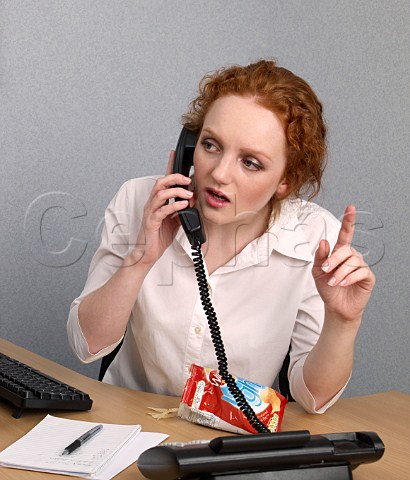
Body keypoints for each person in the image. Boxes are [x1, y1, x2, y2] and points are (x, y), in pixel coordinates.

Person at [67, 59, 375, 414]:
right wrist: (141, 259)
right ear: (189, 146)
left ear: (285, 181)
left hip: (231, 441)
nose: (219, 173)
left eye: (251, 163)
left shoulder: (314, 235)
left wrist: (343, 322)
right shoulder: (139, 200)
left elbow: (314, 398)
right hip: (126, 428)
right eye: (211, 145)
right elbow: (86, 345)